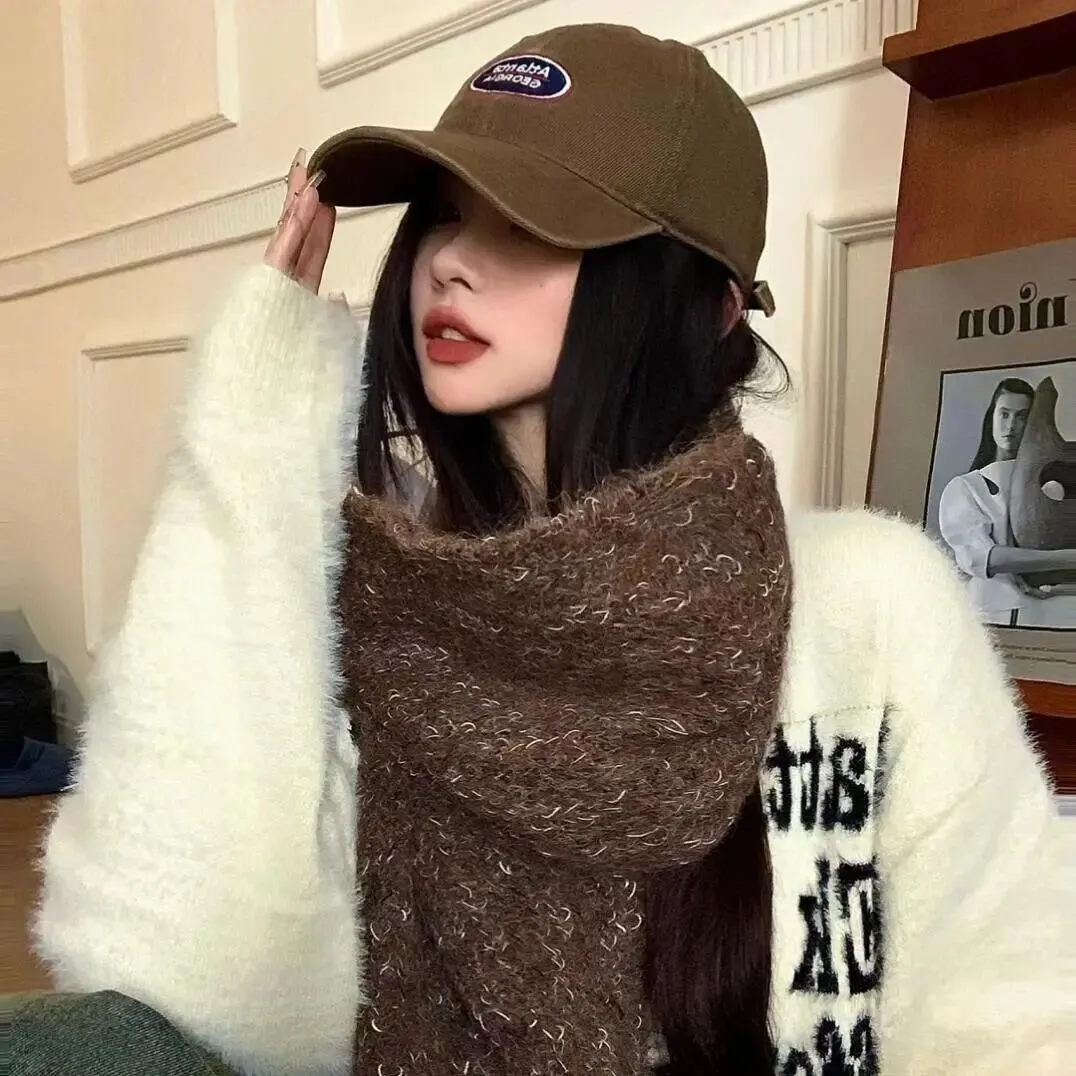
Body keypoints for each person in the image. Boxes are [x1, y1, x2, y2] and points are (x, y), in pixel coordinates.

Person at [28, 23, 1073, 1076]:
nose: (447, 263)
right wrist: (253, 433)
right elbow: (194, 976)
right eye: (443, 214)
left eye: (531, 224)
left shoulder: (864, 611)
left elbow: (1013, 1008)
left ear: (711, 305)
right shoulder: (372, 612)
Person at [939, 377, 1076, 627]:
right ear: (991, 417)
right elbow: (982, 558)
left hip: (1054, 610)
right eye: (1004, 414)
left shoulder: (1054, 478)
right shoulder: (967, 487)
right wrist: (1068, 558)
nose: (1011, 425)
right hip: (993, 612)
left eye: (1022, 417)